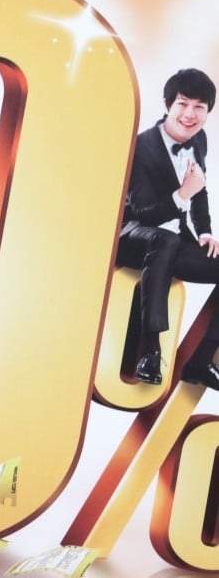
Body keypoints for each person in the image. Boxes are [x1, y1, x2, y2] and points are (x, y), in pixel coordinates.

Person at [116, 68, 219, 389]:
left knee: (175, 242)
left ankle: (200, 363)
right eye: (182, 104)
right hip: (135, 235)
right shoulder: (141, 146)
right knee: (165, 239)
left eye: (199, 107)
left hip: (173, 241)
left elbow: (199, 188)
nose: (189, 114)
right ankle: (151, 351)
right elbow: (144, 212)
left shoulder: (198, 138)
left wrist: (204, 231)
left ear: (207, 112)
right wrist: (182, 194)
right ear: (167, 104)